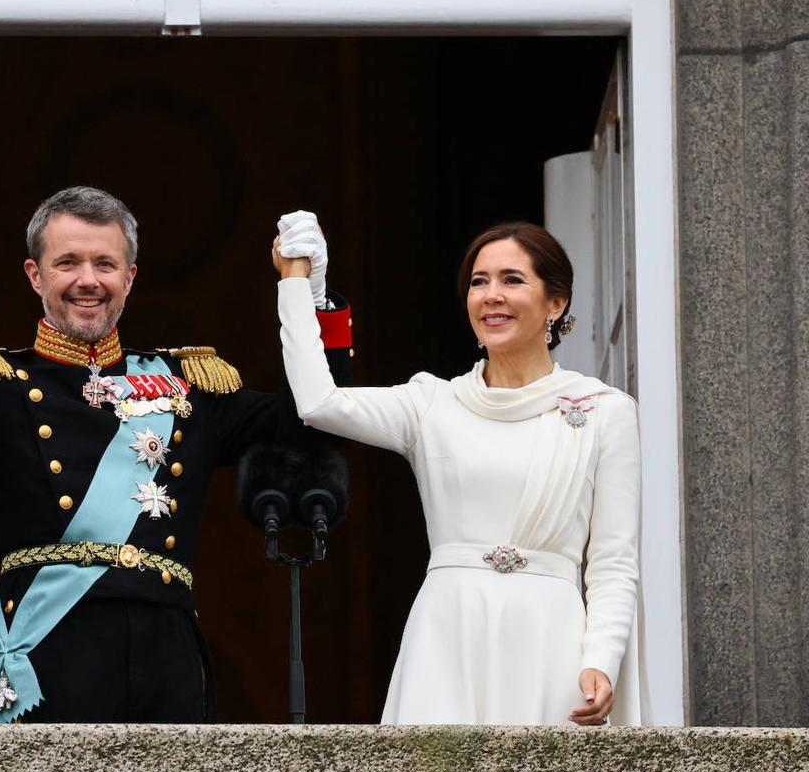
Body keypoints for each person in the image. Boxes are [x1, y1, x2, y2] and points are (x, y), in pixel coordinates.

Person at [0, 168, 353, 723]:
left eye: (105, 264)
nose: (87, 280)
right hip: (48, 655)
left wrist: (313, 304)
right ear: (34, 275)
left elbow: (312, 421)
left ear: (131, 275)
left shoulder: (189, 385)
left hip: (166, 656)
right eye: (67, 263)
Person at [272, 218, 648, 725]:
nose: (492, 295)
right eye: (479, 282)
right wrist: (299, 286)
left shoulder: (605, 410)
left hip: (551, 641)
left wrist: (601, 659)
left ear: (556, 303)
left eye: (512, 280)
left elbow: (613, 563)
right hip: (447, 635)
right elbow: (319, 403)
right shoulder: (432, 403)